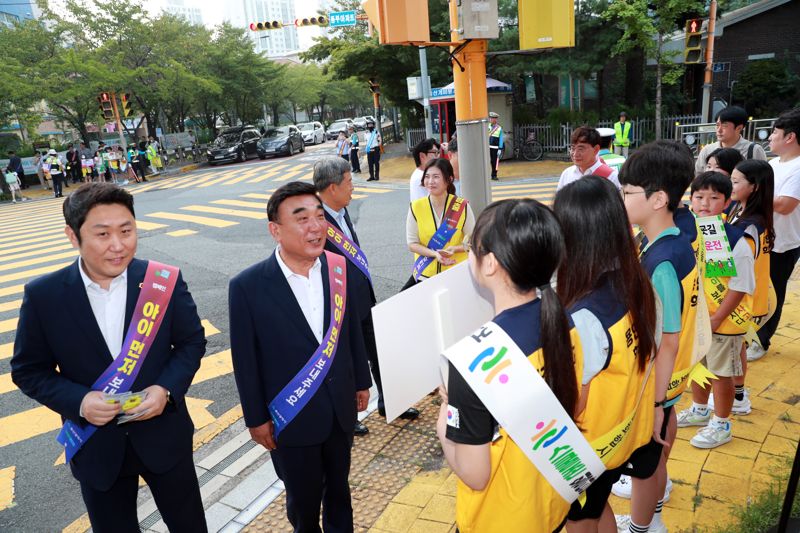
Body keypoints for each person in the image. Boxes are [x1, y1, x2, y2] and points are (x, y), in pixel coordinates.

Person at [11, 182, 208, 532]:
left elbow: (192, 342)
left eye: (127, 230)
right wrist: (80, 401)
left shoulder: (162, 282)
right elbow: (29, 370)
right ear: (73, 236)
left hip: (164, 436)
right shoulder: (45, 296)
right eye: (103, 234)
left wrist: (166, 389)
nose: (118, 245)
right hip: (96, 444)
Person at [228, 181, 372, 533]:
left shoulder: (338, 268)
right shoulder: (247, 287)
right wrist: (256, 419)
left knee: (340, 493)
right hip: (290, 418)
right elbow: (245, 362)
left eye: (320, 217)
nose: (316, 227)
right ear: (275, 230)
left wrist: (362, 382)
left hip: (339, 410)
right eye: (302, 218)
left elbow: (350, 328)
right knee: (303, 504)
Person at [437, 198, 586, 532]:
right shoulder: (563, 320)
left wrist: (444, 416)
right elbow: (578, 402)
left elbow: (475, 475)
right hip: (549, 503)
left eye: (472, 248)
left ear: (490, 264)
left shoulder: (471, 362)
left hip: (499, 518)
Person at [554, 176, 658, 531]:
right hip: (620, 433)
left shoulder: (582, 317)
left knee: (581, 517)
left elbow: (574, 405)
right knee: (599, 506)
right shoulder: (635, 281)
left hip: (586, 450)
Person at [615, 140, 700, 533]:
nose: (621, 196)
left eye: (628, 191)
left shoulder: (661, 262)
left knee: (648, 460)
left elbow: (667, 340)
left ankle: (642, 526)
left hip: (660, 383)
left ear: (658, 199)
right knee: (660, 450)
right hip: (675, 377)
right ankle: (653, 511)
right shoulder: (673, 243)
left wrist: (656, 402)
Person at [314, 157, 420, 437]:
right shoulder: (315, 221)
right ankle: (351, 414)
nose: (353, 188)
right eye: (349, 182)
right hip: (339, 305)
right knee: (347, 360)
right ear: (333, 187)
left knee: (377, 351)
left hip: (363, 298)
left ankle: (390, 402)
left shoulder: (341, 211)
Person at [676, 172, 758, 450]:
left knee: (722, 373)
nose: (705, 203)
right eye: (699, 197)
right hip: (699, 319)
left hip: (721, 322)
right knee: (699, 367)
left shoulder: (724, 237)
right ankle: (700, 409)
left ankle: (722, 423)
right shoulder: (696, 232)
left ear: (726, 202)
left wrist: (717, 318)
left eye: (714, 198)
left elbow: (736, 286)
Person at [723, 159, 775, 414]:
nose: (730, 185)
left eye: (735, 182)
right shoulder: (746, 214)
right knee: (738, 347)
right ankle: (737, 392)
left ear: (754, 187)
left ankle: (738, 396)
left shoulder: (748, 225)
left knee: (734, 348)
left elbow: (734, 270)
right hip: (751, 297)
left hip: (742, 300)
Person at [749, 108, 800, 361]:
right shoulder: (772, 164)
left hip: (784, 243)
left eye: (775, 133)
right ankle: (750, 334)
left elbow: (785, 204)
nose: (770, 138)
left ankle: (761, 340)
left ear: (790, 137)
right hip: (762, 239)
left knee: (773, 292)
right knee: (756, 288)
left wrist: (753, 196)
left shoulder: (799, 168)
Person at [404, 158, 476, 289]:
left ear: (448, 179)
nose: (430, 181)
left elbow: (475, 241)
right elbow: (412, 244)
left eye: (436, 177)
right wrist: (434, 254)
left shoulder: (462, 207)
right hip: (425, 277)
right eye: (427, 177)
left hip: (456, 275)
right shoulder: (416, 207)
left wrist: (455, 249)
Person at [694, 106, 767, 175]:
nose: (719, 130)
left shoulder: (754, 150)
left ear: (739, 128)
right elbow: (699, 176)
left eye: (724, 126)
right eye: (717, 125)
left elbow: (763, 178)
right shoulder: (707, 150)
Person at [557, 127, 620, 191]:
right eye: (573, 148)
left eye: (581, 149)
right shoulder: (567, 174)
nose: (575, 154)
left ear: (596, 149)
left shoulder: (611, 177)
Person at [488, 111, 504, 181]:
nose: (491, 120)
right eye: (491, 118)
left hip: (495, 148)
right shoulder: (486, 126)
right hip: (487, 147)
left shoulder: (499, 128)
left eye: (493, 118)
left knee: (494, 162)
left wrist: (500, 149)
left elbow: (501, 139)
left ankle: (494, 175)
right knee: (485, 161)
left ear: (496, 119)